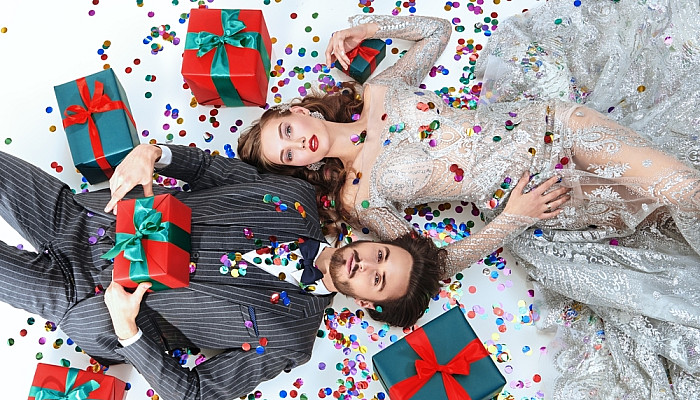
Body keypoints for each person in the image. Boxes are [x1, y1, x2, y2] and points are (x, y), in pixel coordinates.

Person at [237, 1, 700, 398]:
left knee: (686, 189)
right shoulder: (361, 197)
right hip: (540, 195)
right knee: (662, 216)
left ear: (295, 111)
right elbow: (430, 264)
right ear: (299, 168)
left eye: (288, 132)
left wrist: (369, 27)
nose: (299, 146)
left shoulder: (381, 88)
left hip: (551, 125)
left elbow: (438, 31)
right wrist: (511, 220)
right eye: (289, 156)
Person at [0, 144, 444, 399]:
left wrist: (127, 331)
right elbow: (210, 170)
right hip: (88, 215)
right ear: (376, 240)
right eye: (381, 255)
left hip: (87, 298)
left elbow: (197, 394)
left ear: (367, 301)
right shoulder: (296, 197)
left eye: (378, 279)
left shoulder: (291, 340)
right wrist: (152, 154)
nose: (366, 264)